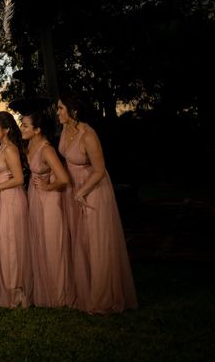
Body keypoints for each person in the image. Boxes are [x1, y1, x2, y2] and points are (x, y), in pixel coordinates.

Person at [57, 92, 137, 313]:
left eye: (61, 108)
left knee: (95, 242)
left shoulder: (88, 135)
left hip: (92, 189)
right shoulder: (65, 130)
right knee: (80, 241)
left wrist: (82, 191)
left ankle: (102, 297)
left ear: (73, 112)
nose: (58, 112)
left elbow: (100, 171)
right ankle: (84, 290)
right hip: (74, 189)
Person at [20, 110, 73, 307]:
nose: (22, 128)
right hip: (35, 198)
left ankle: (59, 295)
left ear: (37, 129)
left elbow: (64, 179)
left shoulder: (46, 149)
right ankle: (45, 292)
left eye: (25, 125)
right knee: (39, 242)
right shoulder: (30, 145)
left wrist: (47, 186)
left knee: (53, 245)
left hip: (50, 200)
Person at [0, 111, 32, 308]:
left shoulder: (10, 149)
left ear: (6, 129)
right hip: (3, 200)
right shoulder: (1, 147)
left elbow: (19, 179)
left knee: (12, 245)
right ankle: (7, 289)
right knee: (5, 244)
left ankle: (18, 294)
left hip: (12, 200)